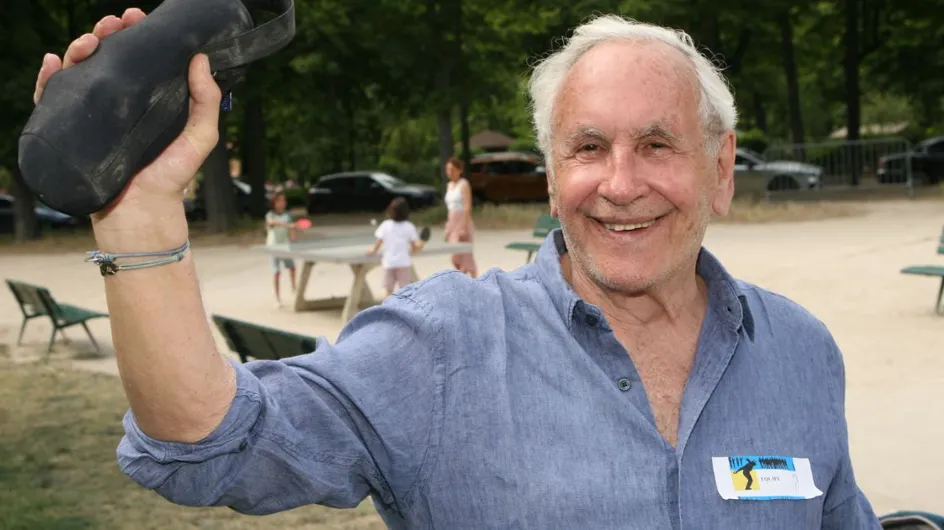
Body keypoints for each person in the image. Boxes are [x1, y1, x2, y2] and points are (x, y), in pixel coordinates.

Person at [34, 10, 881, 529]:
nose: (621, 183)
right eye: (588, 147)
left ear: (722, 168)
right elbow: (207, 443)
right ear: (554, 172)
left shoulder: (801, 352)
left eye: (658, 144)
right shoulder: (440, 348)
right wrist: (141, 211)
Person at [367, 197, 425, 297]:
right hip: (403, 263)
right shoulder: (409, 226)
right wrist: (421, 244)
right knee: (404, 291)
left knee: (388, 291)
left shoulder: (385, 225)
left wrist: (373, 249)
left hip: (389, 263)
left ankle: (387, 310)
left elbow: (378, 243)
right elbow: (414, 249)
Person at [443, 157, 477, 277]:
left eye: (452, 169)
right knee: (455, 256)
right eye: (447, 169)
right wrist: (448, 228)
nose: (449, 172)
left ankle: (474, 279)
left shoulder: (464, 184)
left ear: (459, 170)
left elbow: (467, 206)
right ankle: (464, 278)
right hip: (452, 221)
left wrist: (463, 227)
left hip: (462, 220)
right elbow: (450, 208)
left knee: (465, 254)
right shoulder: (449, 185)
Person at [264, 191, 296, 307]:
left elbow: (291, 232)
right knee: (276, 273)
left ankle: (294, 288)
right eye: (280, 201)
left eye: (284, 201)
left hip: (285, 247)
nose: (283, 203)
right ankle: (277, 298)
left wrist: (292, 235)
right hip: (273, 247)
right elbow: (271, 223)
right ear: (274, 203)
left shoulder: (287, 215)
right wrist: (287, 225)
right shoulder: (270, 215)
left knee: (292, 268)